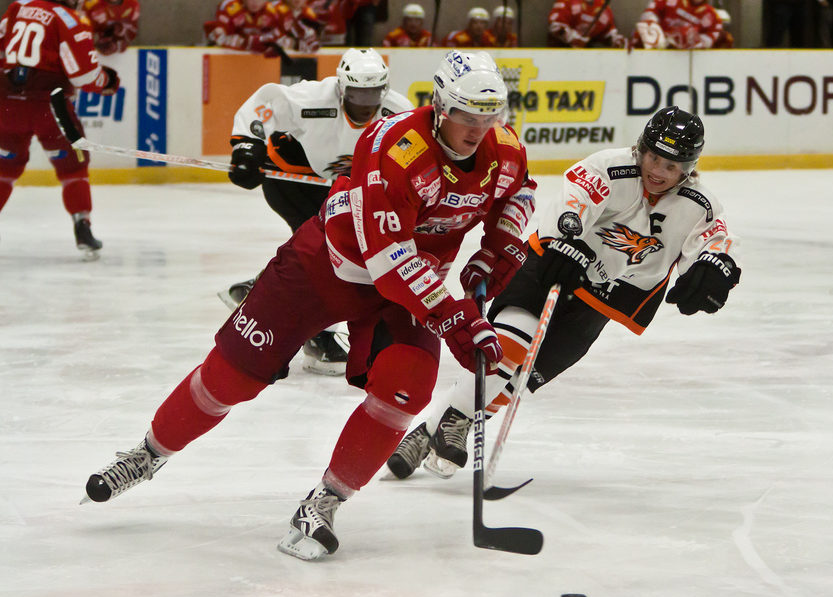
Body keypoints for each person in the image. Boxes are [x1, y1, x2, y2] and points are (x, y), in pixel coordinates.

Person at [83, 50, 537, 562]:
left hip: (410, 286)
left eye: (487, 116)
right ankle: (147, 453)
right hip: (329, 266)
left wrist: (500, 248)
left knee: (405, 390)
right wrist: (455, 316)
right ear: (439, 106)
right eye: (465, 116)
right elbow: (389, 260)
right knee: (231, 378)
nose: (477, 129)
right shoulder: (395, 145)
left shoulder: (505, 149)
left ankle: (325, 502)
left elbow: (518, 195)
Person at [387, 106, 741, 481]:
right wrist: (566, 241)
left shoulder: (698, 204)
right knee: (507, 352)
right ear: (641, 148)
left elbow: (714, 240)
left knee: (521, 378)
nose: (658, 171)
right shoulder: (610, 167)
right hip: (553, 270)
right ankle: (457, 419)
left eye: (671, 167)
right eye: (654, 157)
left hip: (601, 299)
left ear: (688, 168)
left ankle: (427, 432)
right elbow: (573, 204)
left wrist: (715, 265)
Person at [220, 47, 413, 375]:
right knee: (322, 257)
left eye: (373, 94)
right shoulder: (311, 98)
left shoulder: (399, 112)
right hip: (293, 182)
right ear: (340, 87)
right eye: (356, 94)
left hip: (340, 190)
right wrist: (247, 147)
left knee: (339, 257)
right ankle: (315, 338)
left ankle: (257, 290)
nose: (365, 104)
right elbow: (265, 103)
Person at [0, 0, 120, 260]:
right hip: (50, 108)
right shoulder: (68, 19)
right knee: (73, 166)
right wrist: (108, 80)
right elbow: (84, 77)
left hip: (7, 104)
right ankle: (82, 226)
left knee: (4, 168)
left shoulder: (18, 6)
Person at [632, 0, 723, 49]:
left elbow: (709, 40)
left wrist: (694, 40)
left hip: (687, 60)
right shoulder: (668, 1)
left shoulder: (713, 16)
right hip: (658, 52)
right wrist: (655, 32)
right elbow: (649, 14)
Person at [203, 0, 278, 54]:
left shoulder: (271, 12)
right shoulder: (230, 7)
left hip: (254, 62)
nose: (256, 2)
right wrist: (246, 43)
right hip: (224, 56)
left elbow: (277, 38)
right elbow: (215, 36)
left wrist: (266, 43)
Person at [547, 0, 626, 48]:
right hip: (559, 52)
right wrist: (572, 38)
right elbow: (555, 26)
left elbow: (607, 33)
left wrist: (615, 40)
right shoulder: (568, 1)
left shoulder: (602, 6)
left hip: (584, 57)